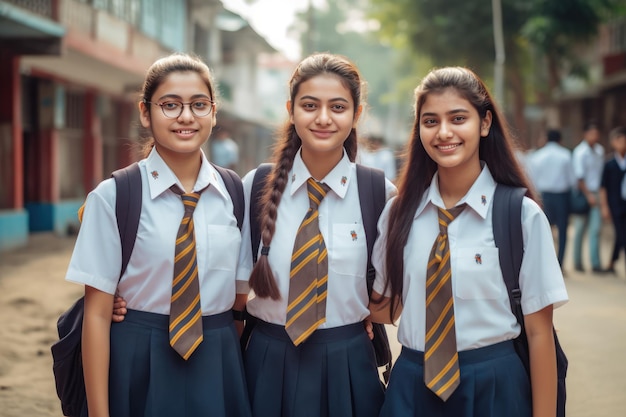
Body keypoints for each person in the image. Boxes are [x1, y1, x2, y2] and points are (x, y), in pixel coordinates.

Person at [369, 67, 568, 417]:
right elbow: (386, 306)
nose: (444, 132)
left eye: (458, 118)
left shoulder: (521, 216)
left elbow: (539, 335)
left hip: (495, 386)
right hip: (413, 386)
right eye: (430, 121)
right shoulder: (398, 215)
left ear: (485, 123)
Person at [65, 53, 251, 417]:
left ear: (213, 113)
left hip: (217, 357)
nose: (186, 116)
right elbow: (98, 315)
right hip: (137, 354)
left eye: (199, 104)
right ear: (145, 113)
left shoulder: (234, 192)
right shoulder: (115, 196)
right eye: (170, 105)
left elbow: (241, 299)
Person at [237, 53, 394, 417]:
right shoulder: (255, 186)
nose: (323, 118)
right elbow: (230, 289)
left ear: (356, 114)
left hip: (348, 361)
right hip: (266, 357)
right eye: (310, 105)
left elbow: (388, 296)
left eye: (338, 107)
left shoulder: (378, 194)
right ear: (291, 110)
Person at [527, 129, 576, 267]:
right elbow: (572, 179)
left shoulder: (537, 156)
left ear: (546, 139)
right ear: (560, 140)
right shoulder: (566, 155)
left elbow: (532, 179)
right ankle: (560, 263)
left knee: (543, 229)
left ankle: (546, 263)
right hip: (562, 196)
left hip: (544, 196)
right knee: (562, 229)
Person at [572, 121, 606, 273]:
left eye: (596, 133)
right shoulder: (580, 152)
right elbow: (579, 177)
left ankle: (596, 263)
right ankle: (577, 262)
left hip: (597, 192)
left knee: (596, 229)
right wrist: (588, 195)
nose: (594, 136)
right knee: (579, 228)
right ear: (585, 134)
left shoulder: (600, 151)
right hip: (583, 193)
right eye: (591, 133)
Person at [599, 126, 626, 274]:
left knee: (622, 234)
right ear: (613, 142)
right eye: (619, 140)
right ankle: (612, 262)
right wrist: (604, 207)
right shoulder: (609, 163)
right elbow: (603, 187)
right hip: (614, 204)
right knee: (621, 234)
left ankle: (611, 262)